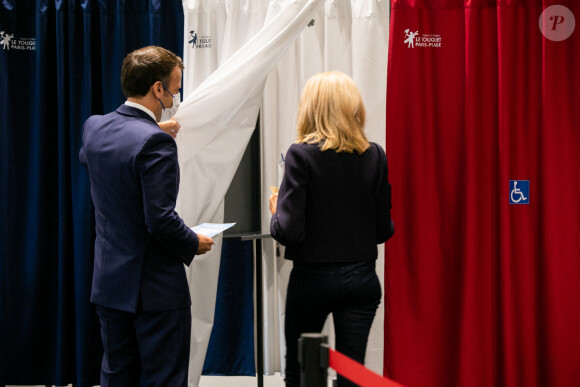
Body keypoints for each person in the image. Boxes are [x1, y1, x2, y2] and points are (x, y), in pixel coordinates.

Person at [79, 45, 214, 387]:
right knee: (163, 379)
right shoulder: (156, 144)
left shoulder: (94, 128)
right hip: (155, 292)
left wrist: (152, 130)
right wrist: (192, 242)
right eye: (176, 86)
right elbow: (160, 220)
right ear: (158, 89)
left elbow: (90, 157)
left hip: (109, 286)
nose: (177, 93)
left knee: (117, 377)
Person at [269, 71, 394, 387]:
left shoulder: (301, 154)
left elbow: (288, 231)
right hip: (363, 279)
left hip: (312, 280)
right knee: (352, 373)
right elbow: (383, 230)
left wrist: (276, 212)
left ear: (311, 108)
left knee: (301, 370)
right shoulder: (376, 155)